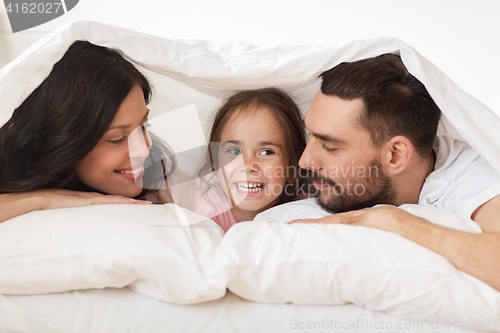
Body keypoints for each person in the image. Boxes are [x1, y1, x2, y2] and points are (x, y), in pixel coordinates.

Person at [291, 53, 500, 291]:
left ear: (396, 156)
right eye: (311, 135)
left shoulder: (475, 178)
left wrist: (398, 223)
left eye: (329, 146)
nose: (305, 161)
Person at [0, 41, 175, 223]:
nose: (144, 150)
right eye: (117, 139)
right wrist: (45, 199)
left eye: (143, 127)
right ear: (63, 139)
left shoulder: (165, 182)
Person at [188, 88, 313, 232]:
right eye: (234, 151)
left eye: (266, 152)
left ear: (293, 168)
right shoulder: (207, 208)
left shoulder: (304, 210)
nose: (248, 166)